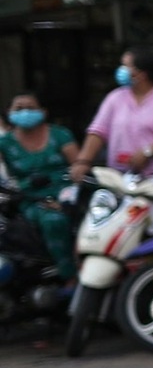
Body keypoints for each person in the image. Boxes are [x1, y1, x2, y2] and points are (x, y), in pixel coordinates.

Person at [69, 48, 153, 186]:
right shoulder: (115, 98)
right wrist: (83, 161)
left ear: (141, 74)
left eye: (126, 66)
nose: (120, 70)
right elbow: (98, 131)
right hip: (120, 177)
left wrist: (148, 152)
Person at [0, 91, 79, 280]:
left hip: (66, 191)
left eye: (30, 108)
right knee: (52, 220)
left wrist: (67, 198)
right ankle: (64, 274)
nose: (24, 112)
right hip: (30, 197)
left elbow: (79, 168)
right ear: (9, 113)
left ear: (43, 112)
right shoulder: (5, 143)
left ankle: (74, 278)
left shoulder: (60, 135)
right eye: (18, 109)